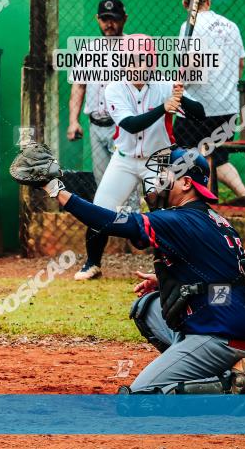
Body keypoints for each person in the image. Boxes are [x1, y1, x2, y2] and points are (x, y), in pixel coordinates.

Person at [30, 147, 245, 394]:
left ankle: (234, 386)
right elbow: (225, 273)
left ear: (186, 183)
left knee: (139, 398)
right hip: (234, 324)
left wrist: (56, 190)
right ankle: (208, 367)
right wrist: (168, 279)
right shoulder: (210, 218)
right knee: (146, 308)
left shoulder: (179, 219)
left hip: (222, 336)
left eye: (165, 173)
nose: (157, 179)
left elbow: (111, 223)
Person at [73, 34, 206, 281]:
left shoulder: (165, 85)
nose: (138, 65)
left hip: (158, 160)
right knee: (100, 209)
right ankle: (92, 263)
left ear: (152, 61)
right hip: (124, 159)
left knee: (162, 213)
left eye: (144, 59)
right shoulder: (114, 89)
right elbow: (131, 125)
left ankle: (166, 267)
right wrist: (163, 107)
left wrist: (181, 96)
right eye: (131, 59)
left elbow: (200, 114)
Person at [175, 0, 245, 199]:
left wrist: (180, 85)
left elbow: (188, 63)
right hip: (228, 105)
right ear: (209, 0)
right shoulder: (231, 25)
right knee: (218, 156)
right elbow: (241, 63)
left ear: (185, 4)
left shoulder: (189, 26)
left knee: (189, 154)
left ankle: (205, 206)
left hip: (199, 105)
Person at [67, 0, 139, 213]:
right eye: (105, 19)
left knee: (129, 185)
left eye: (114, 19)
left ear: (124, 19)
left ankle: (134, 239)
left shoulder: (133, 49)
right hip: (96, 126)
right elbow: (79, 87)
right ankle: (112, 237)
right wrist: (73, 121)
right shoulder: (88, 51)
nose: (109, 24)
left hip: (122, 127)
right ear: (97, 19)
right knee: (103, 185)